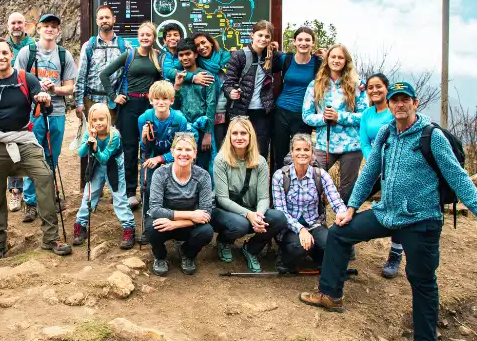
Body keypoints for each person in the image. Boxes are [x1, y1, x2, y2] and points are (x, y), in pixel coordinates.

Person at [299, 81, 477, 341]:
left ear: (414, 103)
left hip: (421, 220)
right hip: (386, 212)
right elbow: (370, 171)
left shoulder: (430, 136)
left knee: (421, 278)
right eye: (395, 100)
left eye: (404, 100)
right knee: (340, 232)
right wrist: (351, 208)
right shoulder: (386, 133)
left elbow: (458, 177)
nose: (399, 105)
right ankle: (331, 294)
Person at [0, 39, 72, 261]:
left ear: (11, 55)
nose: (1, 57)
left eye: (4, 52)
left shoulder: (27, 79)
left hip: (24, 139)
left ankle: (50, 237)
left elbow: (46, 104)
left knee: (44, 175)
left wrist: (44, 100)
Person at [13, 14, 77, 221]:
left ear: (58, 31)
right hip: (32, 113)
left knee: (51, 156)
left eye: (53, 27)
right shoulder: (27, 52)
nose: (49, 30)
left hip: (56, 112)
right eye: (46, 26)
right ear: (38, 29)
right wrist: (35, 88)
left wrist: (55, 89)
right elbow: (16, 81)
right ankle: (30, 201)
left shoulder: (63, 55)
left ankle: (47, 197)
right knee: (32, 156)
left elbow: (70, 87)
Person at [99, 22, 163, 209]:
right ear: (138, 36)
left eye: (148, 35)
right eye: (142, 34)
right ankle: (129, 192)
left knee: (149, 147)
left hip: (149, 107)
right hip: (129, 106)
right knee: (129, 149)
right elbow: (104, 74)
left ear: (153, 37)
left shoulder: (158, 57)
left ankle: (149, 190)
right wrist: (113, 96)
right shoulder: (130, 55)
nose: (145, 38)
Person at [211, 117, 288, 273]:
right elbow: (222, 198)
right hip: (224, 211)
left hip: (251, 209)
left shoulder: (260, 161)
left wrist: (258, 215)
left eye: (243, 133)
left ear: (250, 136)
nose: (239, 137)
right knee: (241, 224)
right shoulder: (221, 160)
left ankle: (251, 248)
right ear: (229, 136)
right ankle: (224, 240)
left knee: (279, 218)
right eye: (235, 133)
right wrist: (249, 215)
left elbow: (263, 197)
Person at [302, 44, 367, 206]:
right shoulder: (315, 85)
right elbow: (306, 116)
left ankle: (345, 224)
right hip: (324, 144)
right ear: (327, 59)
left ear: (346, 61)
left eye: (340, 57)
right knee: (314, 182)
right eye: (333, 57)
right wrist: (323, 119)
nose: (336, 60)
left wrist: (340, 117)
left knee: (347, 190)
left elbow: (364, 116)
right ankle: (317, 223)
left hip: (351, 145)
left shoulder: (357, 85)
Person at [272, 133, 347, 273]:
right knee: (299, 247)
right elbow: (280, 211)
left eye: (306, 150)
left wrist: (343, 215)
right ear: (292, 152)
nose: (302, 153)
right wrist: (301, 230)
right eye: (298, 149)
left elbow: (336, 200)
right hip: (290, 228)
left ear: (312, 153)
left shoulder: (320, 174)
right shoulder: (280, 176)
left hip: (315, 224)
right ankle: (285, 258)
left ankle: (317, 255)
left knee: (332, 245)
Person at [145, 133, 215, 276]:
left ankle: (187, 253)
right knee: (151, 228)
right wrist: (190, 215)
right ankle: (160, 256)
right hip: (167, 221)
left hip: (188, 225)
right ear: (172, 152)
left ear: (195, 153)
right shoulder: (161, 173)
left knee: (206, 232)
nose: (184, 154)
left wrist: (176, 224)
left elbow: (206, 212)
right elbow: (155, 209)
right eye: (179, 149)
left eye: (188, 150)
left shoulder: (203, 176)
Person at [138, 80, 197, 242]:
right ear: (151, 100)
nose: (160, 102)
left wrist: (162, 158)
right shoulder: (144, 118)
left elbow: (184, 148)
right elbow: (144, 148)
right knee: (148, 189)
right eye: (156, 99)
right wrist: (144, 138)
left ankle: (177, 226)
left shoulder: (179, 119)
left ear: (172, 100)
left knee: (176, 191)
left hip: (174, 158)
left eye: (165, 99)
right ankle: (149, 224)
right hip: (151, 157)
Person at [72, 103, 135, 249]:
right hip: (96, 166)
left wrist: (94, 149)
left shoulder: (114, 136)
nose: (98, 123)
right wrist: (89, 142)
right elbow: (81, 153)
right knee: (89, 194)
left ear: (108, 119)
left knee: (119, 197)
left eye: (102, 119)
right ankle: (80, 225)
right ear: (90, 121)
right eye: (94, 120)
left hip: (114, 165)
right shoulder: (89, 133)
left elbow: (105, 157)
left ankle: (129, 227)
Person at [359, 73, 403, 279]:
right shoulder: (367, 114)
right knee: (354, 197)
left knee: (396, 209)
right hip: (374, 167)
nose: (374, 91)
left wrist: (386, 163)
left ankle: (395, 255)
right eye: (370, 87)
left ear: (387, 89)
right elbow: (364, 142)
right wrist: (374, 161)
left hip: (396, 170)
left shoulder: (394, 112)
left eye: (379, 87)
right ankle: (348, 241)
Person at [223, 20, 277, 158]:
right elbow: (228, 83)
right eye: (260, 35)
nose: (263, 39)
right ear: (252, 35)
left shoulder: (272, 56)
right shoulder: (239, 55)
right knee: (238, 150)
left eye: (267, 36)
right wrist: (231, 92)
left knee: (260, 151)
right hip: (241, 110)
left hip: (262, 112)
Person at [272, 26, 322, 170]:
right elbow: (265, 63)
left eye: (307, 40)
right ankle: (276, 190)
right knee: (279, 155)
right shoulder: (285, 59)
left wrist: (361, 84)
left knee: (301, 155)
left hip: (303, 115)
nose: (303, 43)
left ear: (313, 43)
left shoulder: (318, 63)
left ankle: (300, 190)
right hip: (281, 112)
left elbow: (341, 69)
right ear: (294, 42)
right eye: (300, 39)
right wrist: (273, 49)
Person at [74, 4, 129, 120]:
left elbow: (130, 73)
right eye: (101, 18)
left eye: (107, 17)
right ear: (97, 21)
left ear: (114, 19)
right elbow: (81, 76)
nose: (104, 20)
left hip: (114, 103)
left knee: (112, 136)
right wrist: (79, 102)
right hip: (91, 101)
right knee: (91, 136)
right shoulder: (89, 46)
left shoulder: (124, 46)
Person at [5, 11, 34, 212]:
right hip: (9, 102)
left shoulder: (33, 46)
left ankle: (33, 190)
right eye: (13, 23)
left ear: (25, 25)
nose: (16, 26)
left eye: (20, 23)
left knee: (32, 144)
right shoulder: (2, 47)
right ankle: (16, 192)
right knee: (12, 146)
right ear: (8, 26)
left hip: (31, 101)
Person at [172, 38, 215, 170]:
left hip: (202, 128)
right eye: (181, 55)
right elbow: (174, 106)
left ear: (195, 54)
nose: (185, 58)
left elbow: (211, 104)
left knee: (202, 166)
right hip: (183, 127)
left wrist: (208, 134)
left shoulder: (206, 75)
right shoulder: (179, 76)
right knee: (184, 164)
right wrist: (177, 87)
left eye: (188, 54)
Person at [189, 32, 230, 148]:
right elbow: (172, 70)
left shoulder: (226, 57)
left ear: (211, 42)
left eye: (203, 42)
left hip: (228, 110)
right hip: (207, 114)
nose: (201, 47)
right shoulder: (196, 64)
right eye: (197, 45)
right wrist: (192, 77)